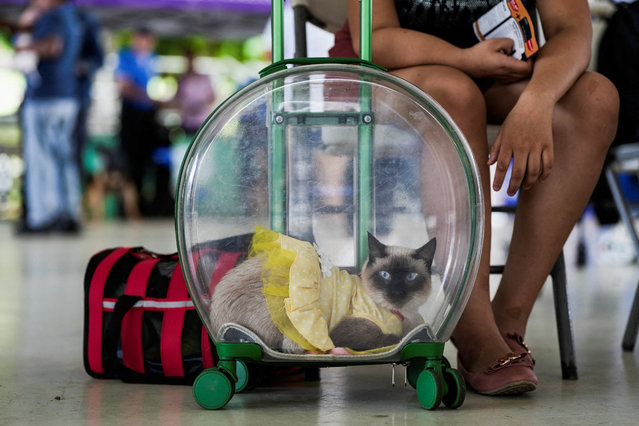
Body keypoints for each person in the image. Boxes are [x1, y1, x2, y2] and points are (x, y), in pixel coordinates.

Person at [332, 0, 619, 395]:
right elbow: (376, 38)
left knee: (595, 97)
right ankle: (473, 328)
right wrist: (463, 58)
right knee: (456, 91)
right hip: (390, 72)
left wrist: (536, 102)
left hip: (503, 77)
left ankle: (508, 320)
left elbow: (571, 30)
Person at [16, 0, 82, 233]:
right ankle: (68, 213)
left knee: (41, 158)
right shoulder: (72, 17)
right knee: (62, 157)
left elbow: (53, 46)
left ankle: (43, 217)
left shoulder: (54, 18)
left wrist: (25, 48)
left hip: (46, 98)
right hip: (65, 96)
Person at [115, 26, 172, 217]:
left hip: (149, 117)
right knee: (131, 163)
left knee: (150, 161)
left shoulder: (152, 58)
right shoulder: (125, 57)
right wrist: (148, 98)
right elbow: (124, 87)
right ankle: (129, 209)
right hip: (131, 115)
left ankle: (147, 206)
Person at [172, 49, 216, 136]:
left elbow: (212, 97)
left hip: (202, 121)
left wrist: (199, 106)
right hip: (188, 122)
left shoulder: (204, 78)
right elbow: (177, 100)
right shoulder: (181, 80)